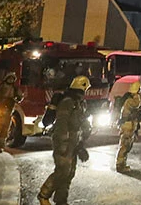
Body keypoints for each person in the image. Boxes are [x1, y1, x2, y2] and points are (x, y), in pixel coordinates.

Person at [38, 76, 92, 205]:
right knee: (62, 171)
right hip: (64, 141)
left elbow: (81, 121)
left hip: (73, 142)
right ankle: (43, 195)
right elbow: (62, 124)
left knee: (69, 173)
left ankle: (61, 200)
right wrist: (63, 144)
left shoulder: (79, 102)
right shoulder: (68, 102)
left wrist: (81, 144)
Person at [0, 72, 23, 152]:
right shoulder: (0, 87)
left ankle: (0, 146)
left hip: (8, 111)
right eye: (9, 78)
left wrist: (17, 99)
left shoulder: (15, 89)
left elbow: (20, 97)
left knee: (5, 129)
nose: (10, 80)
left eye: (12, 79)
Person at [116, 81, 141, 172]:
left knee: (126, 146)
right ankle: (120, 165)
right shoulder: (131, 100)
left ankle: (122, 164)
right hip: (127, 125)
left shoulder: (129, 99)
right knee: (124, 146)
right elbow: (136, 105)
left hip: (128, 125)